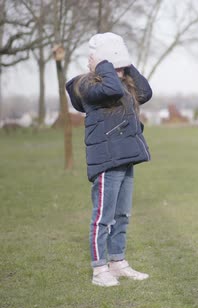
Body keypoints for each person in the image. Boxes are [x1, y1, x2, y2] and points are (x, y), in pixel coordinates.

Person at [66, 32, 152, 287]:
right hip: (106, 160)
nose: (119, 69)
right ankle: (99, 270)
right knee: (103, 216)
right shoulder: (85, 84)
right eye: (115, 63)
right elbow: (111, 87)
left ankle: (117, 263)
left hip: (125, 157)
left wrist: (125, 62)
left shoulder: (124, 84)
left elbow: (146, 92)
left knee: (122, 214)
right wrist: (104, 62)